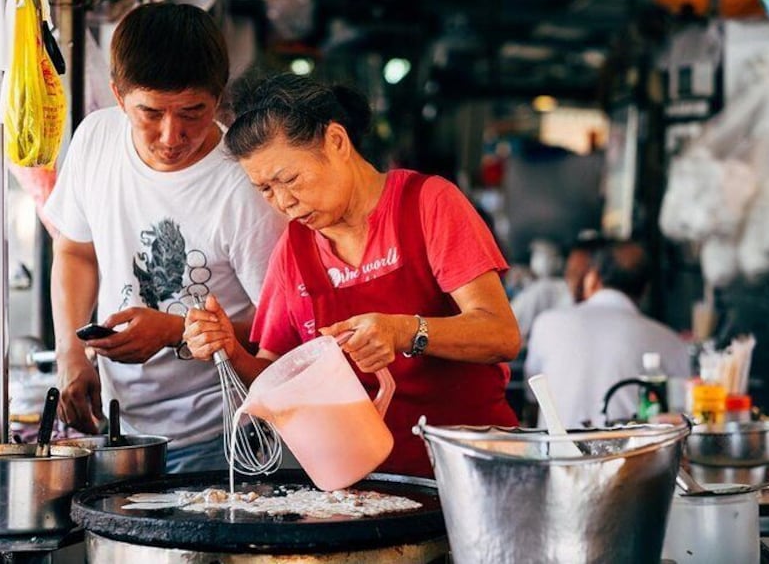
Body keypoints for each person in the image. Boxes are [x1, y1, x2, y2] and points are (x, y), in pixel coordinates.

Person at [182, 73, 521, 478]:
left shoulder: (427, 204)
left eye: (289, 179)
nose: (284, 202)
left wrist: (404, 331)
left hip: (473, 467)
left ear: (337, 142)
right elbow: (276, 376)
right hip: (368, 485)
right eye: (265, 190)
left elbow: (500, 334)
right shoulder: (294, 250)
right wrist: (230, 350)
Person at [43, 3, 286, 472]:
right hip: (119, 431)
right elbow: (75, 250)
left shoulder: (245, 187)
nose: (171, 136)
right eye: (150, 113)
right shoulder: (95, 138)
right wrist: (72, 357)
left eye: (193, 112)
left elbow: (283, 333)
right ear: (118, 96)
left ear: (219, 99)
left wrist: (175, 331)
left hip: (222, 437)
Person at [524, 240, 690, 427]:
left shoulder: (547, 323)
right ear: (645, 290)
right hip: (635, 454)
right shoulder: (670, 341)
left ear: (593, 278)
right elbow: (682, 414)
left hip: (557, 454)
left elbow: (533, 397)